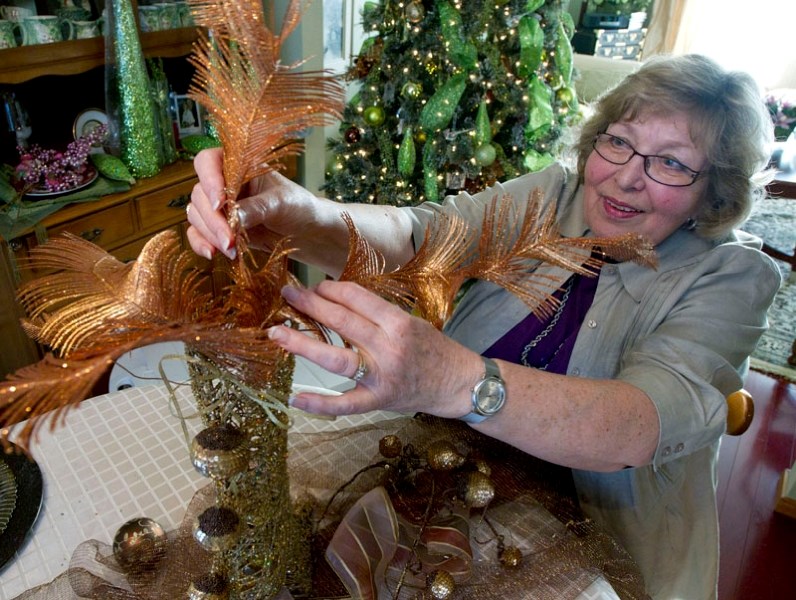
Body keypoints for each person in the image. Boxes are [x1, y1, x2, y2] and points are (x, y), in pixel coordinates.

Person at [186, 54, 781, 599]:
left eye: (671, 163)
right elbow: (422, 238)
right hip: (444, 487)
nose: (626, 177)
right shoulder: (554, 197)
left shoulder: (733, 278)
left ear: (714, 193)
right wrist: (298, 213)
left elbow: (637, 423)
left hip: (600, 546)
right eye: (618, 143)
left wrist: (456, 380)